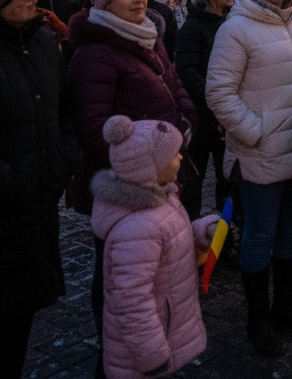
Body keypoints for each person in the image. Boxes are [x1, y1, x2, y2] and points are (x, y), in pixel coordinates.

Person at [66, 0, 199, 377]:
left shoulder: (147, 36)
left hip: (161, 171)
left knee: (155, 269)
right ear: (105, 1)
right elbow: (93, 128)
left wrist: (186, 121)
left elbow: (174, 85)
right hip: (123, 184)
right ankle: (117, 354)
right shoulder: (95, 53)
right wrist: (144, 161)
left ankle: (155, 337)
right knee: (118, 275)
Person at [206, 0, 292, 358]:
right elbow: (218, 92)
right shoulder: (236, 29)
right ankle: (257, 318)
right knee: (260, 234)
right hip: (260, 150)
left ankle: (285, 307)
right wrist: (254, 131)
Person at [0, 0, 78, 379]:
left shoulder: (42, 41)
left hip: (36, 206)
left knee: (19, 322)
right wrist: (9, 181)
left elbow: (65, 106)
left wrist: (64, 156)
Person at [90, 116, 221, 379]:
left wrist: (203, 231)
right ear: (150, 167)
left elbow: (169, 240)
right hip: (142, 355)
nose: (181, 157)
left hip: (161, 330)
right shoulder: (137, 228)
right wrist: (153, 358)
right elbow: (132, 303)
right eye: (173, 155)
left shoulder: (160, 196)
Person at [174, 0, 236, 221]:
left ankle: (225, 230)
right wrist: (213, 100)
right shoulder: (193, 28)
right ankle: (190, 229)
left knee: (227, 177)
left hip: (224, 115)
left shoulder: (228, 22)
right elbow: (187, 71)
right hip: (202, 116)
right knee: (194, 179)